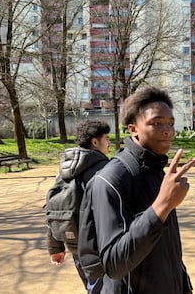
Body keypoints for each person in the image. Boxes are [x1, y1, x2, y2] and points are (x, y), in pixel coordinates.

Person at [87, 87, 195, 293]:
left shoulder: (158, 172)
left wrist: (184, 285)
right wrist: (161, 206)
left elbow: (167, 248)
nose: (168, 130)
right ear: (133, 129)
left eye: (170, 123)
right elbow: (113, 264)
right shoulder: (111, 178)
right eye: (156, 123)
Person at [47, 119, 111, 294]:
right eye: (106, 138)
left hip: (76, 245)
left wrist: (56, 248)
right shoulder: (104, 170)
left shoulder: (63, 171)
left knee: (93, 288)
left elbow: (54, 207)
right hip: (101, 247)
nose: (109, 142)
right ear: (95, 141)